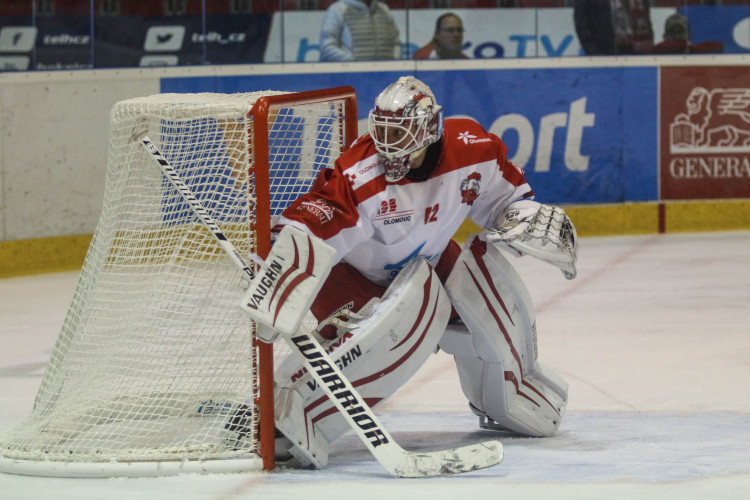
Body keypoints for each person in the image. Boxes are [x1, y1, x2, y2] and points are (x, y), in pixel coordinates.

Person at [239, 76, 577, 468]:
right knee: (389, 332)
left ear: (430, 129)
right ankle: (291, 413)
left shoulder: (474, 148)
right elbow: (314, 221)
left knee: (483, 284)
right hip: (356, 276)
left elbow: (505, 197)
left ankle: (514, 390)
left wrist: (525, 218)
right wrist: (278, 265)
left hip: (427, 259)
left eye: (401, 134)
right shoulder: (359, 174)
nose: (390, 148)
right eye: (383, 133)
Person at [319, 0, 401, 62]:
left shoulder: (383, 9)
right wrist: (353, 61)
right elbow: (327, 47)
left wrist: (393, 59)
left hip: (387, 73)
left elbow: (396, 42)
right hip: (351, 75)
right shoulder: (338, 9)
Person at [574, 0, 654, 55]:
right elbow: (582, 23)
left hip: (642, 53)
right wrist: (594, 53)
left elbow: (645, 19)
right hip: (608, 54)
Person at [649, 13, 724, 54]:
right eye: (672, 33)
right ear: (664, 37)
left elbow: (718, 46)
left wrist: (691, 49)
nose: (677, 36)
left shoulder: (697, 53)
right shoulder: (656, 55)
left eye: (681, 32)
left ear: (690, 36)